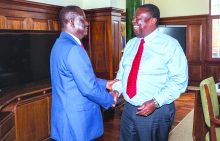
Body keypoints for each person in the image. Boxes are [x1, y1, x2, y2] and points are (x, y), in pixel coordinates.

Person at [112, 4, 188, 141]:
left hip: (156, 112)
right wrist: (117, 90)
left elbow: (179, 81)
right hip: (128, 110)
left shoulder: (170, 45)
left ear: (153, 21)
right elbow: (123, 73)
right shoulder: (131, 44)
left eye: (139, 18)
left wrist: (156, 102)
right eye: (134, 18)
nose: (133, 21)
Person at [50, 5, 118, 141]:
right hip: (78, 122)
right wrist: (110, 99)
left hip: (65, 118)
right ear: (70, 22)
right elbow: (88, 88)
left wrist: (107, 83)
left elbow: (76, 78)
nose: (87, 23)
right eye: (82, 19)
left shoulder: (58, 45)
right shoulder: (74, 50)